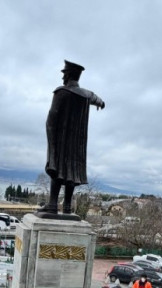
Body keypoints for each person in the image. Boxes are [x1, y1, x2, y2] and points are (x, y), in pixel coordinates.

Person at [38, 60, 105, 215]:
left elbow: (52, 119)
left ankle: (53, 204)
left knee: (58, 168)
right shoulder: (87, 95)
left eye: (64, 75)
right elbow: (98, 100)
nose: (63, 79)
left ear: (68, 76)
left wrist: (51, 141)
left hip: (62, 140)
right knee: (72, 172)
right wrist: (101, 103)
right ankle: (67, 207)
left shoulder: (61, 92)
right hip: (78, 144)